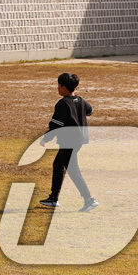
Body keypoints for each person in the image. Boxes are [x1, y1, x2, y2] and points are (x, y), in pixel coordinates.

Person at [40, 72, 98, 212]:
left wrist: (45, 138)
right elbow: (90, 111)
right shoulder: (81, 100)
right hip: (78, 140)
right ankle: (53, 198)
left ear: (64, 87)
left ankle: (89, 200)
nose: (58, 88)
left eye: (59, 86)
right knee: (59, 164)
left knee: (73, 170)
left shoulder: (63, 103)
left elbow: (55, 125)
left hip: (69, 141)